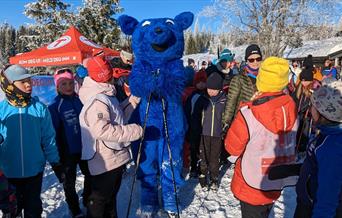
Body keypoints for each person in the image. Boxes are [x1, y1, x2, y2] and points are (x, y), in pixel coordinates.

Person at [225, 57, 298, 218]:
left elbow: (232, 147)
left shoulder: (249, 113)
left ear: (261, 80)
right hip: (277, 178)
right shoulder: (292, 108)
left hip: (252, 183)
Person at [79, 56, 143, 218]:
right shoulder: (97, 99)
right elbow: (102, 130)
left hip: (113, 158)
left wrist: (134, 99)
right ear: (105, 75)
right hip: (105, 161)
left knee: (109, 199)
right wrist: (134, 131)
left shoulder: (105, 93)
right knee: (100, 200)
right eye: (109, 73)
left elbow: (118, 114)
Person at [0, 65, 62, 218]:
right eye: (22, 82)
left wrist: (56, 163)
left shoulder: (39, 108)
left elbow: (48, 139)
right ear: (9, 85)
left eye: (29, 80)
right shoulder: (1, 111)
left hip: (34, 172)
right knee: (12, 211)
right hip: (8, 173)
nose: (28, 85)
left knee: (33, 209)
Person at [294, 80, 342, 218]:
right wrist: (290, 170)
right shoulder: (324, 133)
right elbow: (316, 163)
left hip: (314, 206)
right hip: (308, 199)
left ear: (323, 113)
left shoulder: (332, 146)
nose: (310, 109)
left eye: (313, 106)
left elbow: (328, 197)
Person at [48, 68, 91, 218]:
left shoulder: (81, 99)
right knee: (69, 182)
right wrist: (56, 156)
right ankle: (75, 209)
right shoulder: (55, 106)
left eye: (70, 83)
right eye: (63, 84)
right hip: (67, 152)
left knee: (90, 175)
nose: (68, 87)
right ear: (57, 87)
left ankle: (87, 200)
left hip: (85, 147)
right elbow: (52, 132)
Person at [191, 72, 226, 190]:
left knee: (214, 158)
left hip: (217, 134)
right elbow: (196, 115)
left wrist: (224, 128)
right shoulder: (203, 99)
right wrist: (196, 129)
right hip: (204, 134)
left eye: (214, 89)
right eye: (209, 88)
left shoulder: (224, 100)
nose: (211, 91)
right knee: (203, 156)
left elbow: (227, 116)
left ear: (220, 89)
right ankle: (203, 177)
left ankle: (214, 178)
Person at [222, 44, 262, 134]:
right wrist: (226, 123)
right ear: (247, 61)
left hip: (260, 125)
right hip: (242, 123)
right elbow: (230, 103)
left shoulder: (265, 78)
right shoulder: (239, 79)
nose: (255, 62)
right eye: (251, 60)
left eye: (258, 59)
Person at [185, 69, 207, 178]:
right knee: (194, 149)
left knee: (203, 148)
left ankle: (202, 168)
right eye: (199, 82)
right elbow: (187, 113)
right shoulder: (193, 96)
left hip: (205, 128)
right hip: (194, 128)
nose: (202, 84)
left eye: (204, 81)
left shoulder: (208, 95)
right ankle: (193, 168)